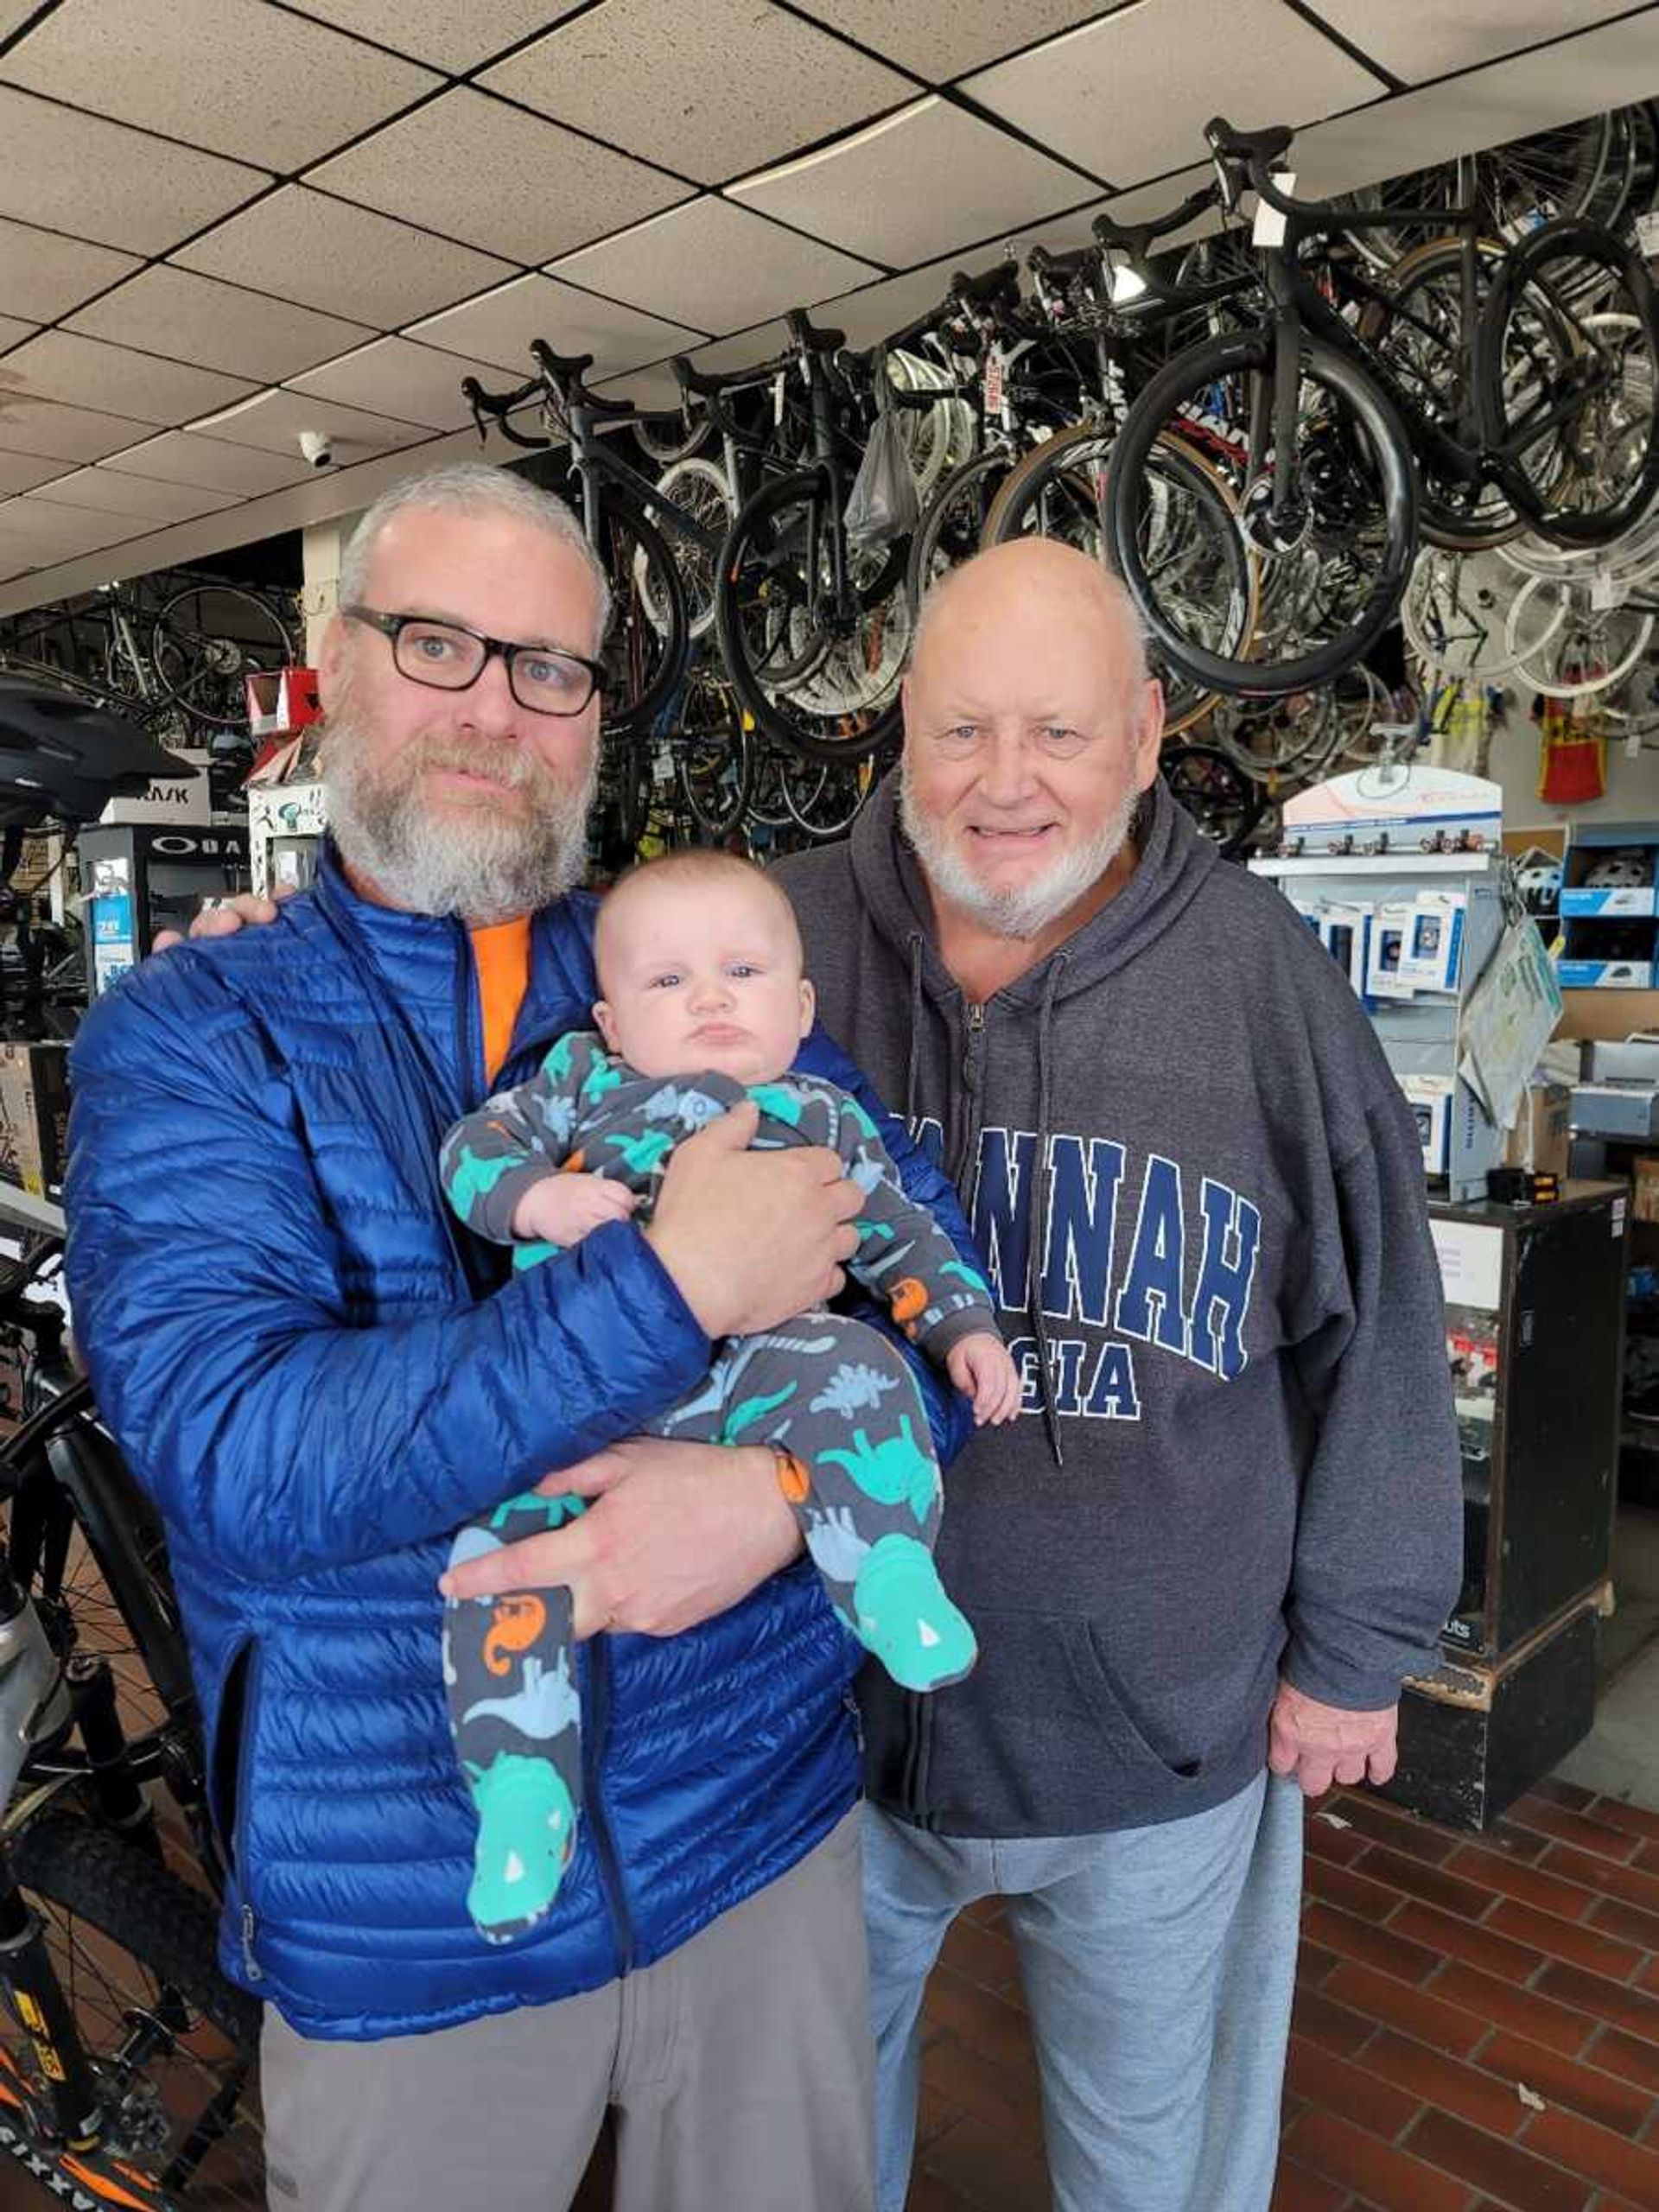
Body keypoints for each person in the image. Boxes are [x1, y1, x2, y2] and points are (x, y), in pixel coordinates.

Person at [63, 461, 980, 2212]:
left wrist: (790, 1490)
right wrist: (671, 1286)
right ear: (335, 668)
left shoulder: (685, 968)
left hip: (758, 1830)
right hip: (409, 1902)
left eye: (551, 667)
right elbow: (238, 1455)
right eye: (440, 645)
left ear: (594, 718)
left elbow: (932, 1294)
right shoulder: (193, 1028)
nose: (496, 707)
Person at [766, 539, 1464, 2212]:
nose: (1004, 786)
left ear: (1149, 733)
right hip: (805, 1722)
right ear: (899, 729)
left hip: (1160, 1736)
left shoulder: (1261, 981)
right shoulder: (769, 942)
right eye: (960, 731)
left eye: (1059, 734)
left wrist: (1359, 1647)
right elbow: (549, 1070)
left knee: (1160, 2172)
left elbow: (1381, 1312)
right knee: (790, 2159)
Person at [435, 848, 1017, 1942]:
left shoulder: (823, 1113)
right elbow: (472, 1151)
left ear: (800, 1007)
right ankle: (520, 1793)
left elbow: (902, 1235)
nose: (709, 997)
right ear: (611, 1023)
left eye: (742, 972)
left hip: (761, 1378)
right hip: (581, 1397)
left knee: (866, 1375)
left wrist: (964, 1323)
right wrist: (538, 1201)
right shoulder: (576, 1084)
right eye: (667, 982)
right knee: (489, 1569)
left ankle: (884, 1568)